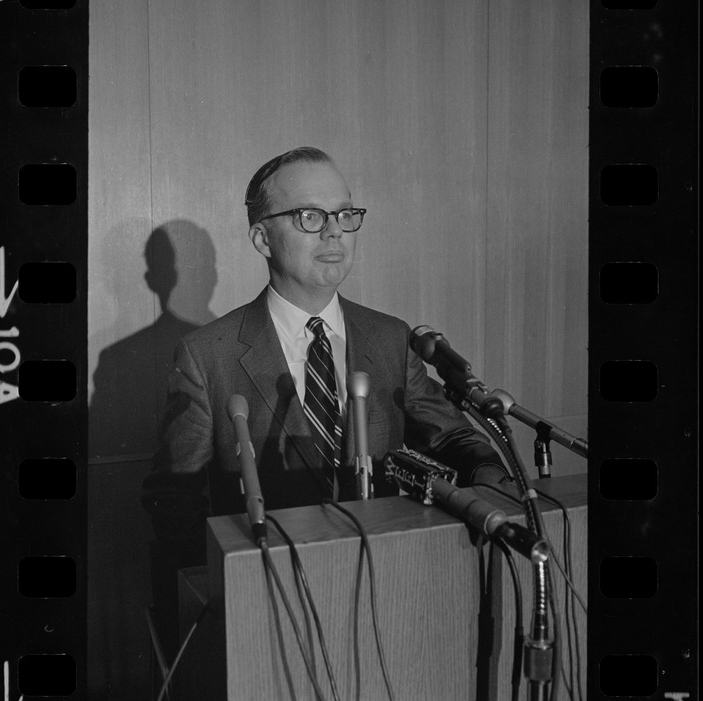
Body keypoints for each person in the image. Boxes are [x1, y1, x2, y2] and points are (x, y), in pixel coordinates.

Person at [142, 146, 508, 566]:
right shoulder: (207, 356)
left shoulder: (389, 337)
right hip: (268, 587)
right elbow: (172, 498)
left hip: (382, 577)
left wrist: (489, 479)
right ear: (262, 239)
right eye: (310, 216)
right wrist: (229, 584)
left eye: (345, 215)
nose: (335, 232)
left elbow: (451, 437)